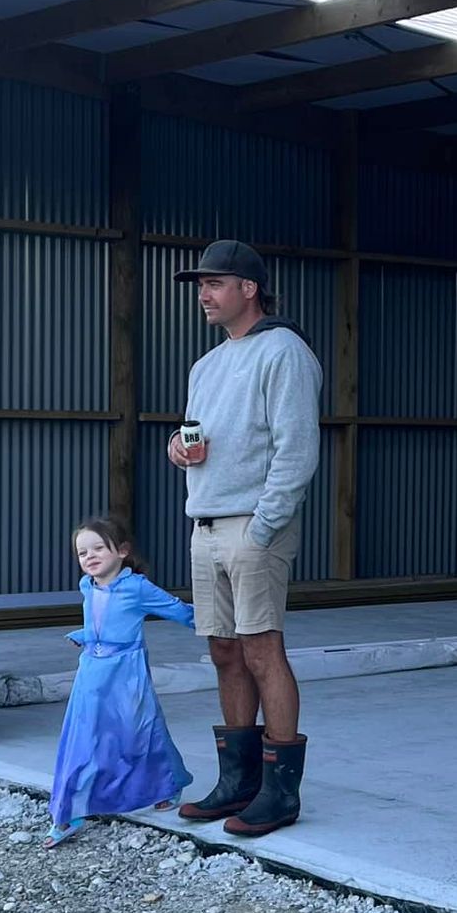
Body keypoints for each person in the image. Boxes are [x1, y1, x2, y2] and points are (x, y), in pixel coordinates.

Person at [167, 238, 323, 837]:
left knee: (262, 650)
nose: (203, 295)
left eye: (214, 284)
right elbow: (194, 436)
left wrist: (264, 526)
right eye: (200, 285)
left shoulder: (283, 352)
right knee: (225, 652)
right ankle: (239, 783)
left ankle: (281, 795)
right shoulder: (205, 365)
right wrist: (178, 451)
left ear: (248, 289)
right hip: (205, 524)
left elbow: (297, 450)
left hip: (254, 528)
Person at [44, 514, 196, 848]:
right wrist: (84, 634)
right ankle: (68, 811)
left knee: (140, 733)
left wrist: (218, 626)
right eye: (83, 552)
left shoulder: (137, 587)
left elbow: (179, 610)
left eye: (99, 548)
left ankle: (170, 782)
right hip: (91, 674)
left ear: (122, 551)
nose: (90, 557)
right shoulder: (88, 586)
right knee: (82, 739)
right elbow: (100, 622)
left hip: (126, 674)